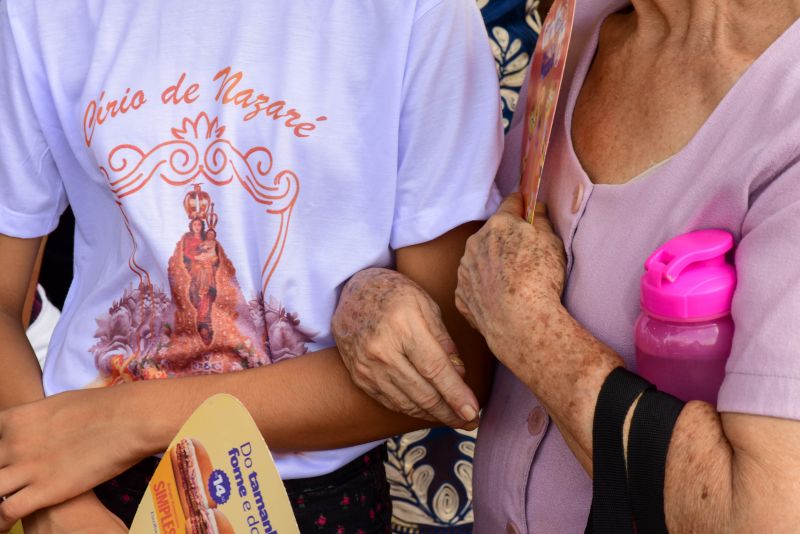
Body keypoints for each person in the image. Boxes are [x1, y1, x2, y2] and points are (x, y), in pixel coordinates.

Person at [0, 0, 502, 531]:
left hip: (311, 500)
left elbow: (451, 364)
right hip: (91, 486)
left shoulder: (418, 13)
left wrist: (130, 420)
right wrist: (54, 505)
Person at [334, 0, 800, 531]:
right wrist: (368, 294)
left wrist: (533, 331)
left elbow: (759, 515)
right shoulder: (577, 26)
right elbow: (488, 276)